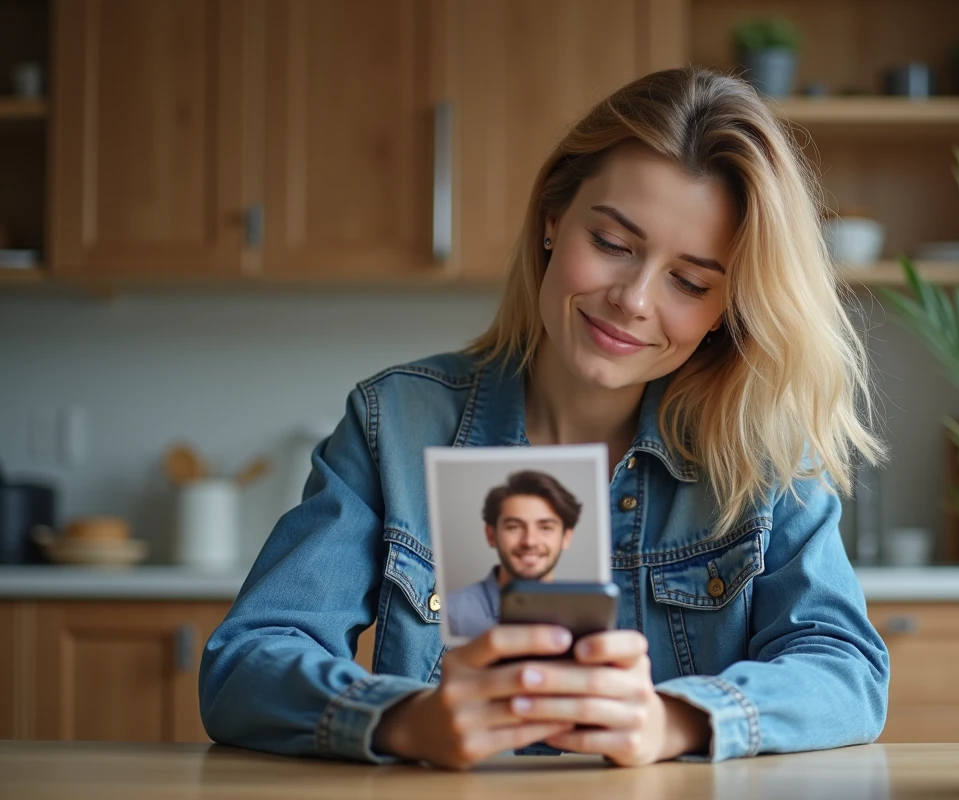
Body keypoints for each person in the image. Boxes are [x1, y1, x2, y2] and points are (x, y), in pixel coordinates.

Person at [200, 66, 889, 770]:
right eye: (613, 244)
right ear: (553, 218)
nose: (634, 300)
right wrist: (405, 720)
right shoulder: (395, 423)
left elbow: (847, 671)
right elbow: (246, 662)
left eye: (689, 282)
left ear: (727, 309)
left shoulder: (763, 451)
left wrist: (677, 721)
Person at [445, 470, 582, 639]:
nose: (529, 541)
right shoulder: (449, 613)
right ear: (491, 535)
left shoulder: (587, 617)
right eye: (513, 527)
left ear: (566, 537)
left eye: (546, 527)